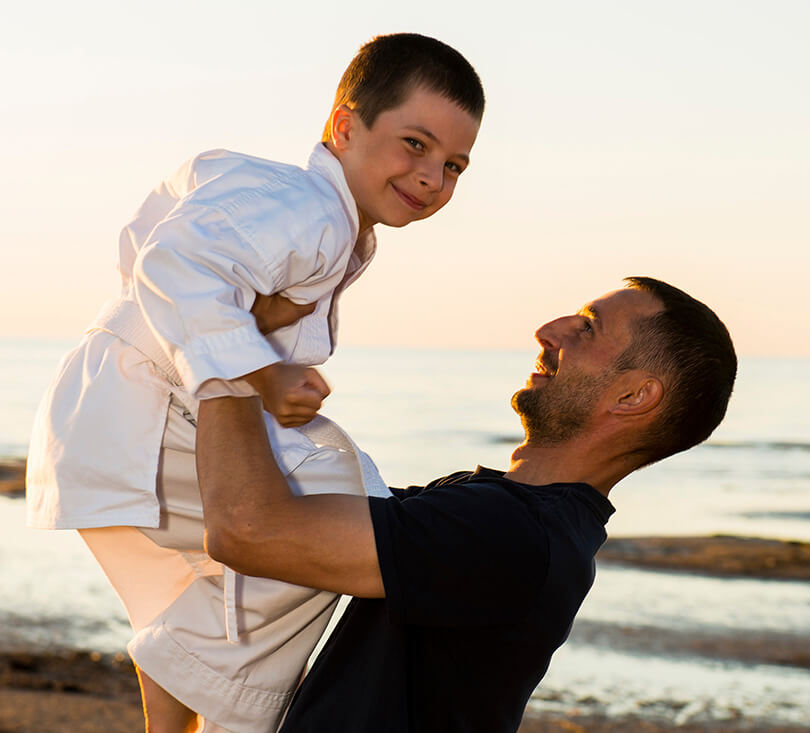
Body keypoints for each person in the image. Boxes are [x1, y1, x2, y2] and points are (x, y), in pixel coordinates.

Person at [24, 33, 485, 732]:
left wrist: (245, 335)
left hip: (116, 405)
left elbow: (170, 222)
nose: (432, 176)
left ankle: (179, 720)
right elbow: (173, 258)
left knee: (231, 581)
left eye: (454, 164)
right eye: (414, 144)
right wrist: (259, 368)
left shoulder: (313, 212)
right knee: (344, 512)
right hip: (140, 407)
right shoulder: (307, 205)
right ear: (343, 127)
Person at [195, 276, 738, 732]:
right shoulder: (512, 517)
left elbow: (247, 529)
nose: (549, 330)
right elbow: (276, 507)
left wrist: (230, 357)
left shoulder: (511, 532)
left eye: (588, 327)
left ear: (633, 396)